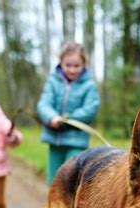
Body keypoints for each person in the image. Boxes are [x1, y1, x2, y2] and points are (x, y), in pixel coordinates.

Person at [37, 42, 100, 186]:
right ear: (61, 63)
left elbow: (90, 109)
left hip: (76, 141)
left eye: (76, 66)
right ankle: (54, 207)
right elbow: (44, 104)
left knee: (71, 178)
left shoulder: (89, 86)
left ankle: (71, 207)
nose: (72, 70)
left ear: (84, 64)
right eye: (68, 65)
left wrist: (67, 119)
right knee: (53, 180)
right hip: (55, 139)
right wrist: (51, 117)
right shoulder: (53, 82)